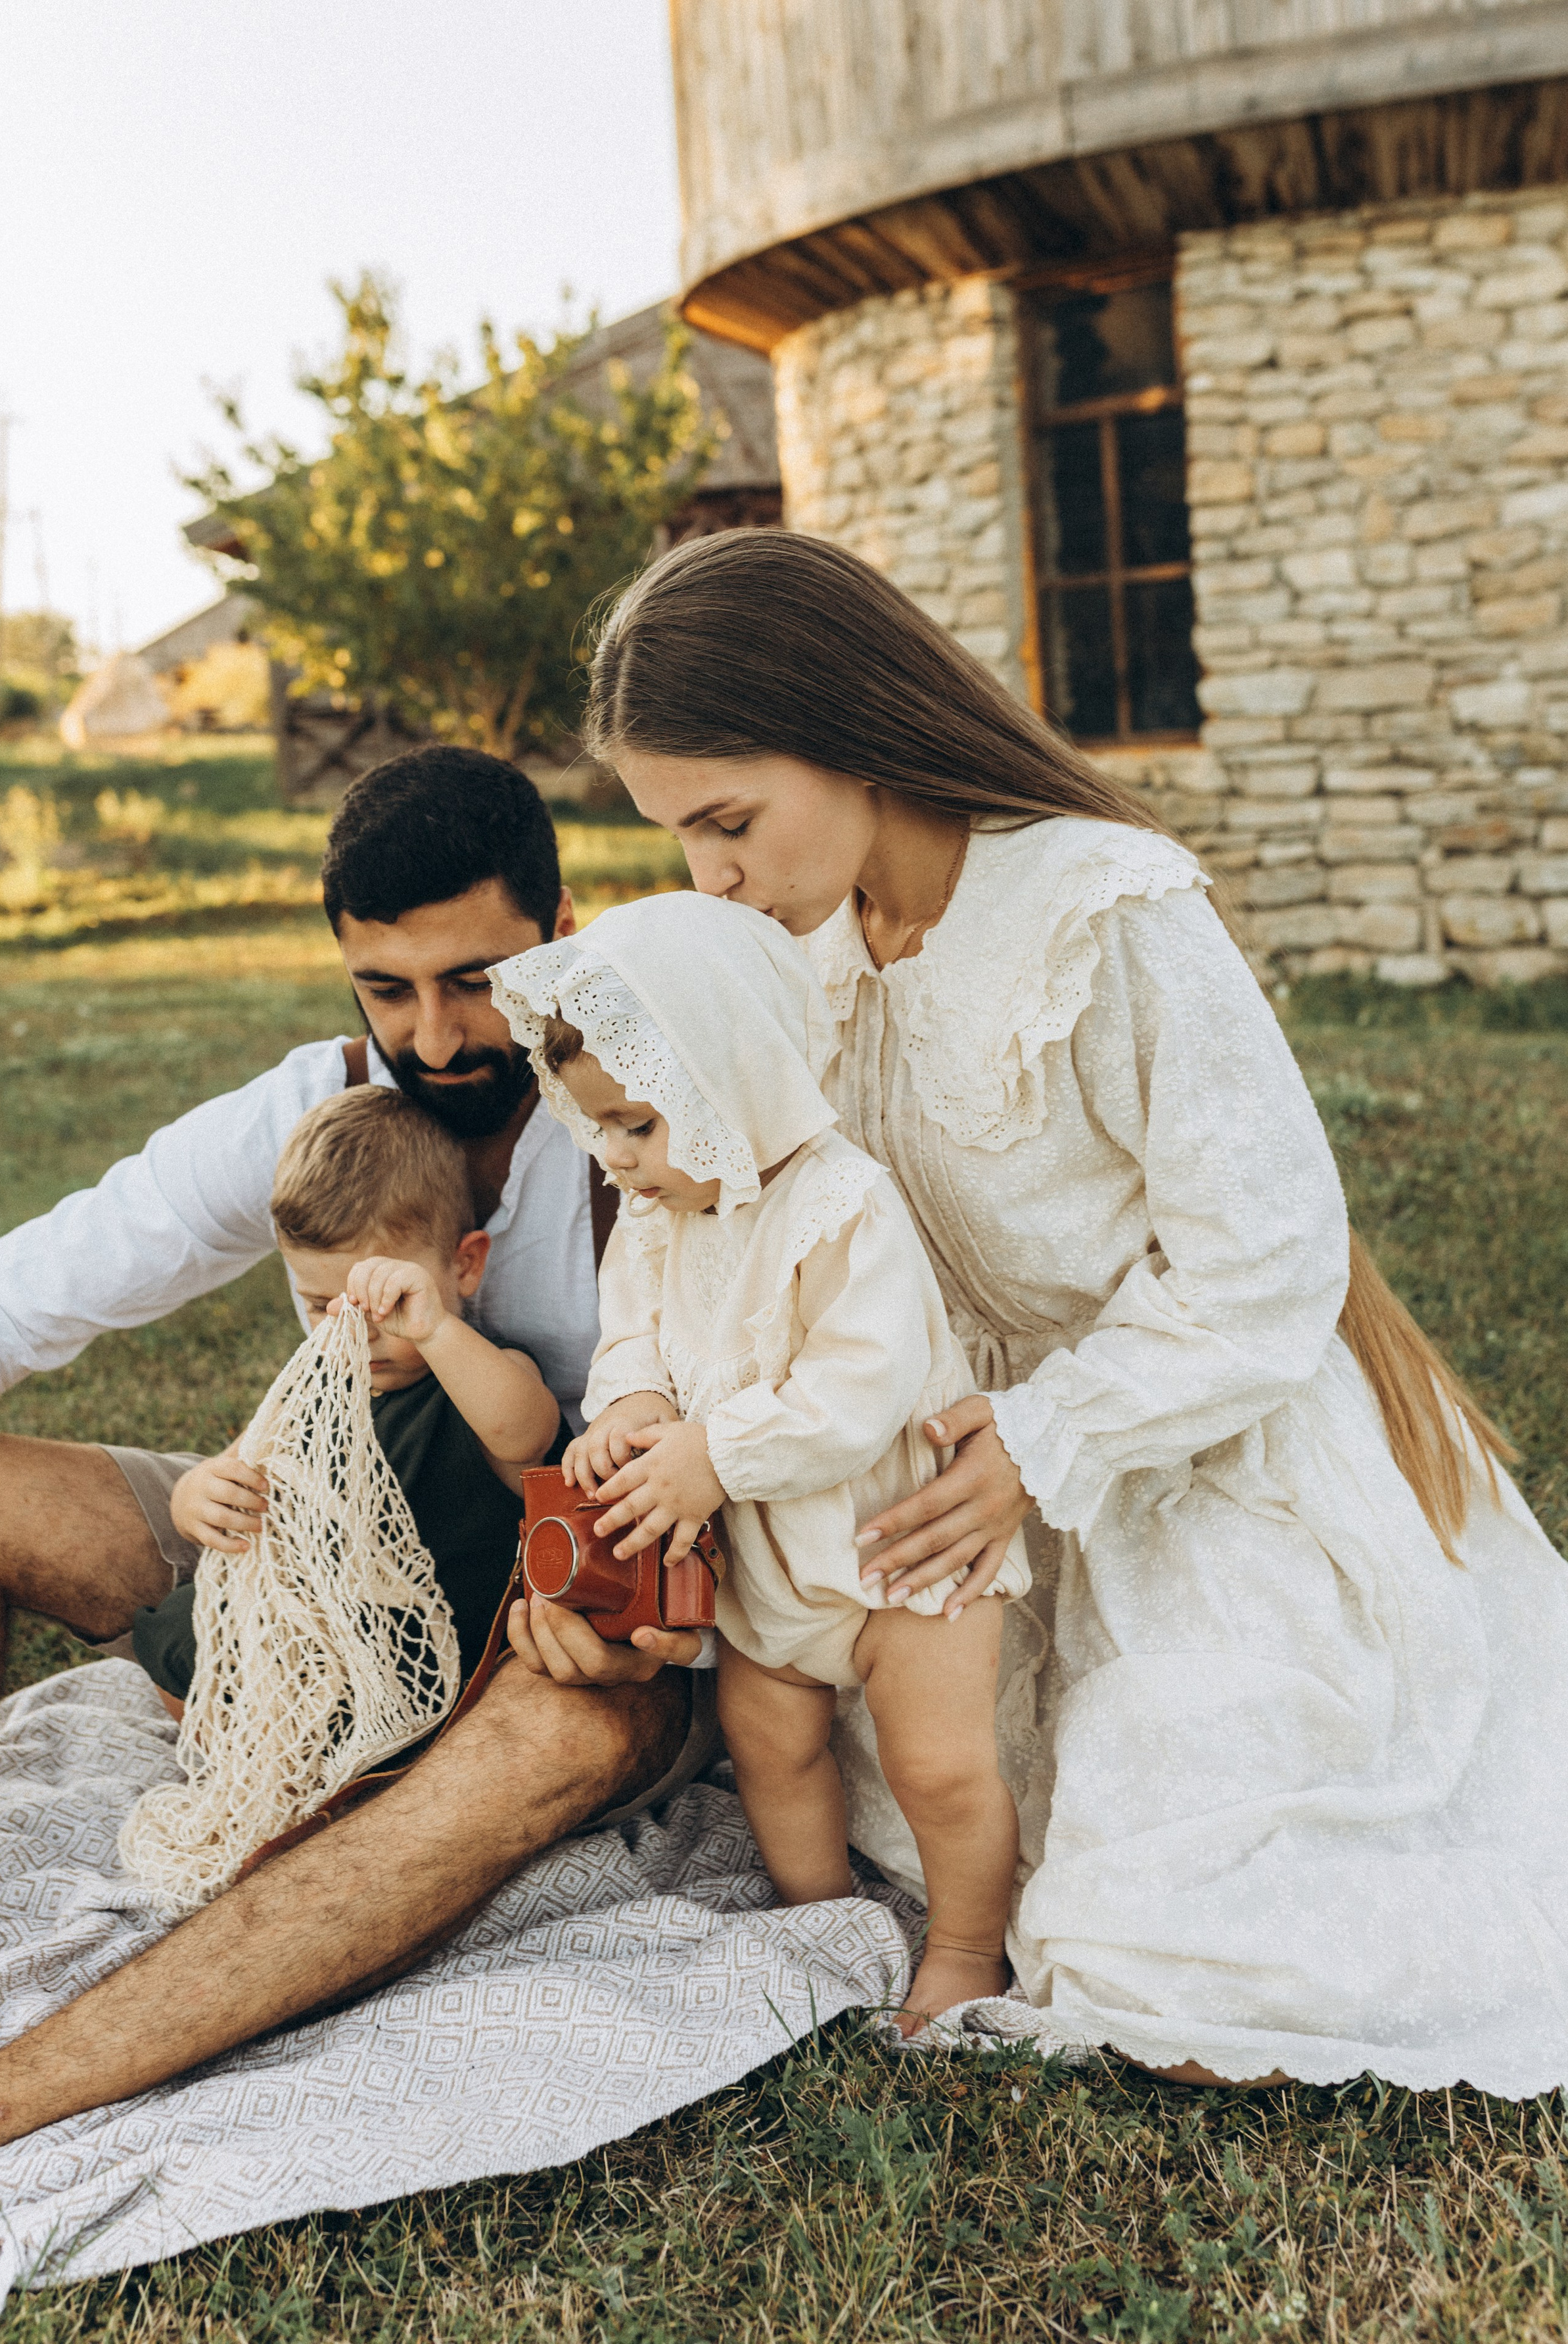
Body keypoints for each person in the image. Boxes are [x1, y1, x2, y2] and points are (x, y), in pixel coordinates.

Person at [569, 525, 1568, 2098]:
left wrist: (1047, 1437)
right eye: (681, 834)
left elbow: (1266, 1262)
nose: (711, 875)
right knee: (927, 1811)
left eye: (728, 820)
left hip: (1191, 1441)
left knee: (1171, 1955)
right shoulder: (792, 953)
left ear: (840, 728)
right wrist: (648, 1392)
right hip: (941, 1500)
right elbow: (708, 1208)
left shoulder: (1099, 907)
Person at [0, 747, 793, 2201]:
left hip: (596, 1606)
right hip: (333, 1551)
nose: (433, 1038)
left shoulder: (659, 1094)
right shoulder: (319, 1108)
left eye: (474, 977)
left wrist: (654, 1613)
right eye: (385, 989)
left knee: (551, 1737)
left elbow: (810, 1372)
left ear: (563, 921)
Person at [494, 891, 1032, 2034]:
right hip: (768, 1575)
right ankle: (819, 1915)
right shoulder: (661, 1215)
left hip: (902, 1556)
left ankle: (969, 1949)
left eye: (637, 1123)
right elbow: (633, 1328)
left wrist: (714, 1453)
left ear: (727, 1077)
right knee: (770, 1744)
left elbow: (858, 1388)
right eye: (597, 1126)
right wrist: (634, 1403)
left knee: (939, 1771)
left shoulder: (843, 1205)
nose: (615, 1155)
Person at [131, 1085, 562, 1711]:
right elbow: (240, 1463)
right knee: (184, 1637)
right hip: (316, 1631)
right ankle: (262, 1762)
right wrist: (196, 1495)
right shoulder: (316, 1384)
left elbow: (525, 1435)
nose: (352, 1335)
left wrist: (436, 1330)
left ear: (464, 1267)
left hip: (429, 1648)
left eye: (387, 1306)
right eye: (318, 1306)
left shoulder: (482, 1377)